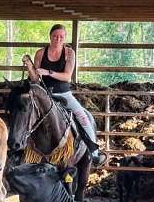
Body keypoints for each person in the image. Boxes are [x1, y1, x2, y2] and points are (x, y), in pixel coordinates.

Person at [22, 24, 107, 167]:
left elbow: (67, 76)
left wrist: (48, 72)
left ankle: (94, 153)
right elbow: (35, 79)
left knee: (83, 116)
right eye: (55, 36)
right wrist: (30, 67)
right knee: (24, 112)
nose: (58, 39)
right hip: (43, 94)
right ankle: (19, 149)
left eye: (61, 36)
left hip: (63, 94)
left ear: (65, 38)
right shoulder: (40, 53)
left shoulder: (69, 53)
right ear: (50, 37)